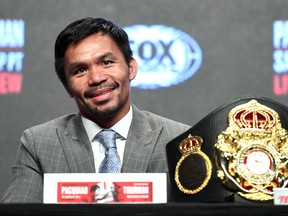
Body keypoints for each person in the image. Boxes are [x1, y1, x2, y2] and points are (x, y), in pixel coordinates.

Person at [1, 17, 190, 203]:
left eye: (107, 62)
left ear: (131, 68)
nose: (96, 78)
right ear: (67, 86)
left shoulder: (179, 140)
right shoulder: (39, 144)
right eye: (80, 70)